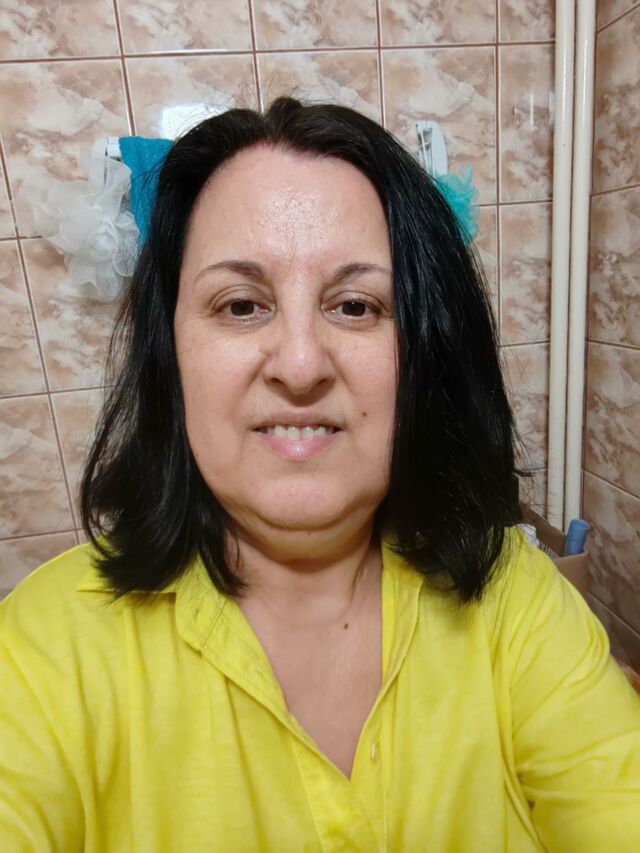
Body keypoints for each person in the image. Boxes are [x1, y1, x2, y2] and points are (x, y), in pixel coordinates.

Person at [0, 96, 638, 851]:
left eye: (356, 306)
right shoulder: (45, 649)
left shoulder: (515, 602)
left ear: (423, 355)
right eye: (241, 305)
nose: (301, 365)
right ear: (170, 355)